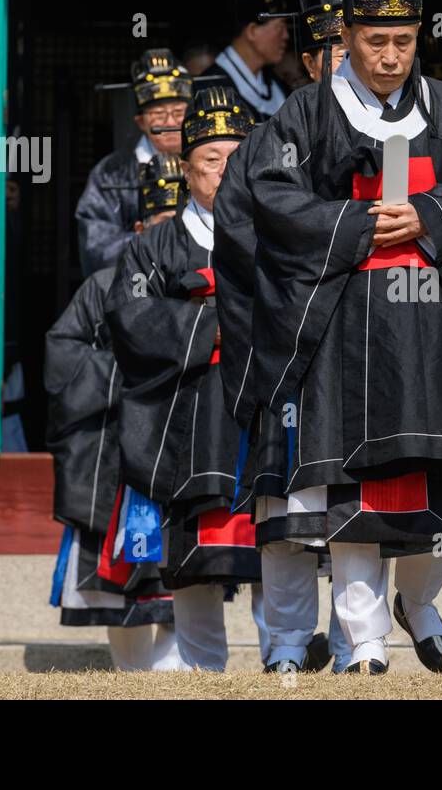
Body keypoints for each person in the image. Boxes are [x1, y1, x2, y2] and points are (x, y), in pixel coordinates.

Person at [243, 0, 442, 674]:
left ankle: (416, 601)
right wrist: (355, 224)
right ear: (347, 36)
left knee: (438, 483)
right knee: (355, 490)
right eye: (376, 40)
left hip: (431, 320)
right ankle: (363, 644)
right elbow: (272, 196)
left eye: (404, 40)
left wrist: (429, 215)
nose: (391, 56)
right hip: (345, 326)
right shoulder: (306, 113)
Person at [214, 0, 352, 674]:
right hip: (289, 344)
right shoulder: (271, 139)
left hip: (362, 351)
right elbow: (240, 238)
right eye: (330, 47)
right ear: (309, 59)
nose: (345, 59)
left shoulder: (394, 130)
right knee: (289, 514)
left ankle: (361, 640)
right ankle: (288, 646)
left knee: (362, 509)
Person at [104, 88, 265, 671]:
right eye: (210, 160)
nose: (223, 171)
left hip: (264, 407)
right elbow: (131, 318)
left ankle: (287, 658)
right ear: (186, 167)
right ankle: (202, 671)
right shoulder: (154, 246)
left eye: (235, 157)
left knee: (277, 539)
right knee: (198, 548)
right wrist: (213, 329)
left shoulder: (279, 233)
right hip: (189, 416)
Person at [46, 155, 186, 671]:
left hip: (180, 453)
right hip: (113, 459)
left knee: (183, 581)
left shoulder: (208, 278)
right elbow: (62, 354)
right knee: (117, 586)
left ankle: (174, 679)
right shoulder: (101, 286)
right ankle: (130, 678)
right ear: (137, 227)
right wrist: (125, 371)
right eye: (157, 227)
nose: (166, 237)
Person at [75, 49, 191, 277]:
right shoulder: (112, 172)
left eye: (178, 112)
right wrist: (148, 236)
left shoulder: (211, 162)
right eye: (158, 114)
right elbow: (96, 248)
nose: (169, 123)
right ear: (140, 121)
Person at [198, 0, 290, 119]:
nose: (286, 36)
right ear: (252, 31)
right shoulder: (209, 87)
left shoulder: (277, 85)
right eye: (280, 27)